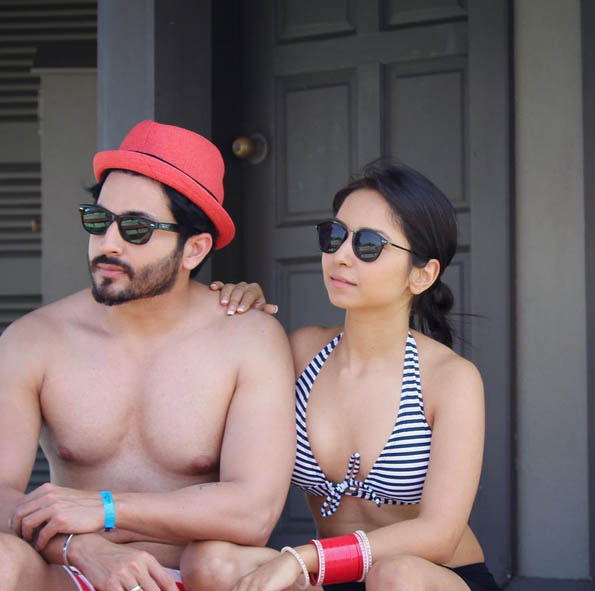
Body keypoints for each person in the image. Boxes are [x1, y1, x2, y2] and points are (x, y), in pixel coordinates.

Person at [0, 120, 295, 591]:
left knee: (231, 566)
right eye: (98, 221)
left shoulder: (248, 339)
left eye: (136, 228)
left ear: (194, 249)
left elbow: (253, 513)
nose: (108, 244)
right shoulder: (33, 340)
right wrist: (82, 546)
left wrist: (106, 509)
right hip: (74, 571)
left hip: (194, 577)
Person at [196, 161, 501, 590]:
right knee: (212, 562)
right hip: (331, 578)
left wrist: (303, 558)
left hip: (427, 578)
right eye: (334, 235)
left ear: (422, 274)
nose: (340, 256)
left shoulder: (450, 379)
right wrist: (239, 319)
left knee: (395, 575)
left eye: (369, 245)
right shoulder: (299, 353)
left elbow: (439, 534)